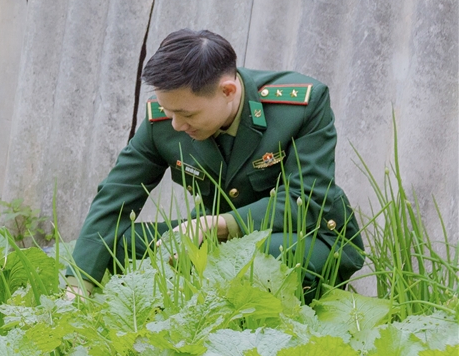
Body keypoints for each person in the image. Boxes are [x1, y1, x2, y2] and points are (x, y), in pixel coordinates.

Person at [73, 28, 363, 293]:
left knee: (252, 261)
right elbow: (114, 199)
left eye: (187, 115)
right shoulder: (166, 118)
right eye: (168, 110)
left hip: (303, 237)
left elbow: (308, 199)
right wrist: (77, 285)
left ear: (228, 91)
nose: (174, 124)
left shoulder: (301, 105)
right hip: (212, 237)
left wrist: (218, 224)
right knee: (113, 244)